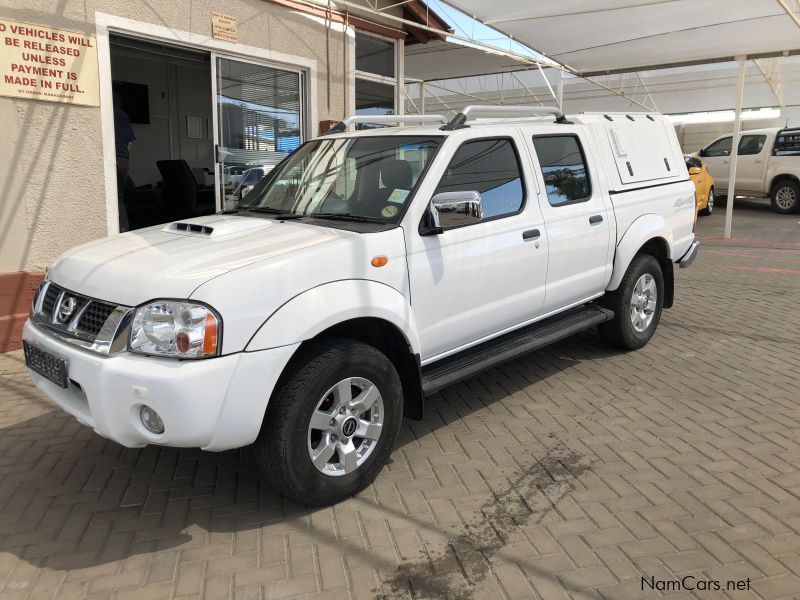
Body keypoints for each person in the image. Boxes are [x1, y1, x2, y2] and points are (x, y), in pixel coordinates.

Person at [113, 95, 135, 232]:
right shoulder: (122, 115)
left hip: (113, 158)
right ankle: (123, 228)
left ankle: (120, 230)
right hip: (122, 160)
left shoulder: (107, 113)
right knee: (119, 197)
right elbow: (130, 143)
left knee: (113, 197)